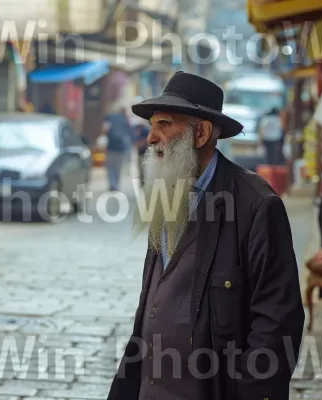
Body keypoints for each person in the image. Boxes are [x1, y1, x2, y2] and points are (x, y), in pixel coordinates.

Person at [110, 72, 304, 400]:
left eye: (164, 125)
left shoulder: (256, 205)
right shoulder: (166, 191)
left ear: (200, 132)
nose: (151, 138)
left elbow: (277, 323)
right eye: (151, 126)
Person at [104, 103, 134, 191]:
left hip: (111, 146)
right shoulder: (126, 120)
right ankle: (116, 185)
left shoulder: (110, 117)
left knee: (110, 167)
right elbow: (130, 133)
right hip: (122, 147)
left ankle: (112, 184)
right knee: (118, 167)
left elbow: (105, 129)